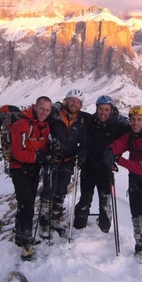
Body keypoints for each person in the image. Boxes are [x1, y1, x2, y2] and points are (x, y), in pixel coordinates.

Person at [74, 96, 142, 233]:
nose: (103, 112)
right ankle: (78, 228)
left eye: (106, 109)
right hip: (88, 167)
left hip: (105, 169)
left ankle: (104, 230)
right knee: (85, 198)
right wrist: (58, 106)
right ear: (96, 109)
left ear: (111, 110)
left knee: (105, 201)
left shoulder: (119, 126)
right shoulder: (89, 121)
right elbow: (72, 111)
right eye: (100, 109)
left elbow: (136, 127)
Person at [103, 105, 142, 259]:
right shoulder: (131, 136)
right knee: (135, 215)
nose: (135, 123)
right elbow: (118, 145)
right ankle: (139, 246)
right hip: (134, 180)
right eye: (133, 119)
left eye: (139, 120)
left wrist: (118, 159)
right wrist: (110, 150)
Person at [38, 89, 87, 238]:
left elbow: (83, 140)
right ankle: (44, 222)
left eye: (78, 102)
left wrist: (83, 153)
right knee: (48, 191)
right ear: (66, 100)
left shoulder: (81, 120)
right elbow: (43, 129)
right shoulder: (55, 114)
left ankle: (55, 218)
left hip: (68, 161)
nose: (74, 104)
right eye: (72, 100)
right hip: (52, 159)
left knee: (60, 191)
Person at [9, 96, 54, 256]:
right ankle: (26, 242)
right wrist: (39, 157)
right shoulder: (22, 124)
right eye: (42, 108)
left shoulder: (44, 126)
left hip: (33, 169)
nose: (44, 112)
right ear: (35, 107)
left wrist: (49, 151)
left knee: (27, 203)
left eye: (47, 110)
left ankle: (21, 236)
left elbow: (43, 146)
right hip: (20, 169)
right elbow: (18, 152)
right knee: (26, 204)